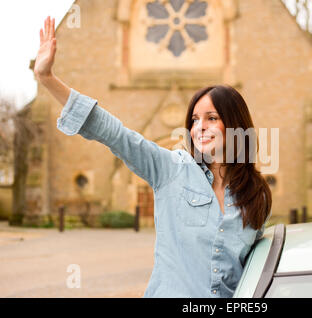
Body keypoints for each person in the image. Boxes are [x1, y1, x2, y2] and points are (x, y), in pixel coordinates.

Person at [34, 16, 272, 297]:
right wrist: (47, 79)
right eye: (194, 120)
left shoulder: (256, 195)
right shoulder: (171, 170)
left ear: (234, 124)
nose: (199, 127)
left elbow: (253, 274)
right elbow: (116, 134)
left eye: (211, 118)